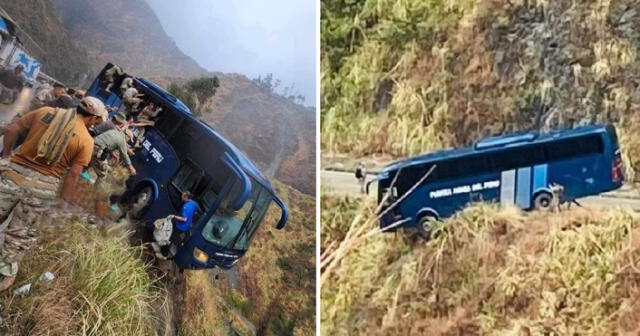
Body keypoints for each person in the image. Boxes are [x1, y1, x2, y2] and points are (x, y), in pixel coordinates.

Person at [0, 97, 107, 291]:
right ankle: (4, 275)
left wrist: (7, 155)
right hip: (43, 189)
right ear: (92, 118)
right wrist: (61, 202)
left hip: (13, 174)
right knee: (19, 233)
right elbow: (73, 175)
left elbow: (12, 130)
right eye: (97, 121)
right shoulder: (86, 140)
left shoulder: (45, 112)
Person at [162, 191, 198, 258]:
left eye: (182, 196)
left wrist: (174, 216)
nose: (181, 197)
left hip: (180, 226)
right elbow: (195, 212)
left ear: (186, 197)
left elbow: (184, 219)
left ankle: (164, 253)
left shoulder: (186, 207)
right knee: (175, 237)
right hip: (187, 226)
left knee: (170, 238)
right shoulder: (193, 203)